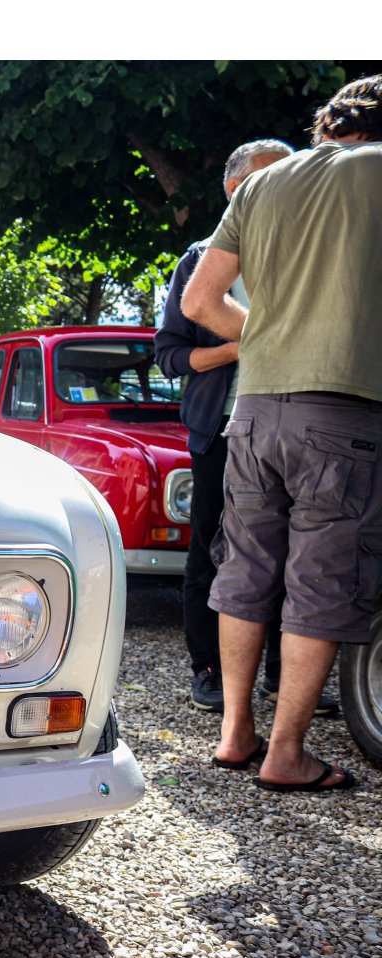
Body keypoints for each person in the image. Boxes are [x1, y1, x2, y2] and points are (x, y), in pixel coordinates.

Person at [181, 74, 382, 792]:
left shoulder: (262, 184)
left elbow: (201, 300)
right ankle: (287, 754)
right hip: (343, 410)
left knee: (246, 569)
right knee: (320, 583)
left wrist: (268, 339)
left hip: (255, 408)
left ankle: (236, 733)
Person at [157, 139, 339, 721]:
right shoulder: (201, 259)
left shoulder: (309, 259)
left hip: (292, 424)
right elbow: (170, 356)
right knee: (213, 553)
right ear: (236, 192)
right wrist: (244, 346)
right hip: (221, 430)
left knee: (295, 557)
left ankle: (281, 681)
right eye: (269, 179)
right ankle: (207, 672)